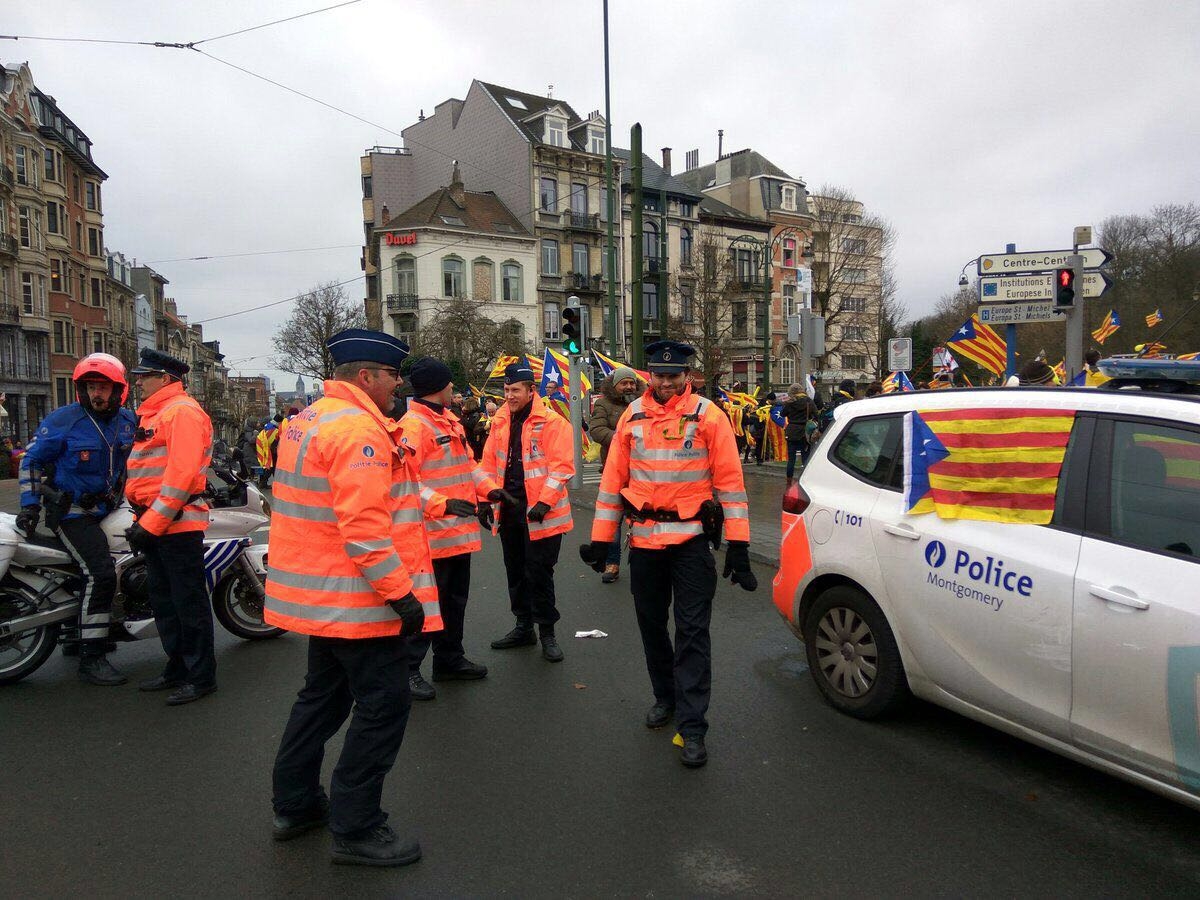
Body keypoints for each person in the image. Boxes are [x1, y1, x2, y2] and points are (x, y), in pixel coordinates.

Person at [266, 328, 439, 868]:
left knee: (321, 699)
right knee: (384, 705)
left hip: (318, 595)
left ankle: (295, 806)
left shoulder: (308, 420)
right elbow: (365, 527)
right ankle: (357, 826)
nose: (398, 386)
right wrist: (401, 594)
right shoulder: (359, 430)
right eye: (391, 376)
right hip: (359, 600)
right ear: (366, 376)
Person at [580, 340, 756, 768]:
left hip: (692, 543)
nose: (665, 382)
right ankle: (666, 697)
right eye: (659, 375)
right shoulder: (631, 417)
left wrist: (740, 545)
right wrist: (602, 539)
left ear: (687, 377)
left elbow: (730, 483)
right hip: (643, 543)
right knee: (652, 628)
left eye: (674, 375)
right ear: (649, 376)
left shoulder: (708, 416)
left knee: (693, 632)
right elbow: (612, 481)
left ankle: (693, 726)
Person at [17, 353, 137, 685]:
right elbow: (31, 462)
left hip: (111, 507)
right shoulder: (62, 420)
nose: (97, 393)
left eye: (103, 387)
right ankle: (92, 656)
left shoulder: (128, 421)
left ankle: (77, 632)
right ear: (80, 390)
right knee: (99, 574)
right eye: (90, 387)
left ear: (118, 390)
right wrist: (29, 506)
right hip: (71, 512)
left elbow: (143, 459)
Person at [398, 357, 514, 700]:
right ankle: (407, 671)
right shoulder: (414, 427)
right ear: (438, 387)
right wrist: (443, 504)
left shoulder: (447, 420)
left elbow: (466, 468)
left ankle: (449, 660)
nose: (453, 388)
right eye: (449, 384)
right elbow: (407, 484)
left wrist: (490, 490)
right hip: (430, 536)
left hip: (455, 535)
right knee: (426, 606)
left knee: (453, 603)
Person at [124, 349, 216, 705]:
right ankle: (177, 668)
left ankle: (200, 676)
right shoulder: (159, 412)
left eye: (144, 376)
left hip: (174, 525)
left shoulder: (182, 412)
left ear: (165, 378)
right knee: (166, 603)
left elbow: (180, 476)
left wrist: (151, 523)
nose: (138, 381)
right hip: (156, 522)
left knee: (187, 604)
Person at [480, 361, 574, 662]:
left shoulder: (552, 422)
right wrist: (484, 499)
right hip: (509, 509)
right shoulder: (499, 422)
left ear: (531, 390)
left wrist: (544, 502)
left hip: (542, 514)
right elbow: (487, 464)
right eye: (506, 390)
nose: (509, 395)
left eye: (515, 390)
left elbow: (562, 467)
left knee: (539, 573)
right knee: (515, 571)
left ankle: (547, 631)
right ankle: (523, 626)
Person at [588, 365, 641, 584]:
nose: (629, 386)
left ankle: (644, 562)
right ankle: (612, 562)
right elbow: (597, 429)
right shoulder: (603, 403)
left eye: (632, 383)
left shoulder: (643, 403)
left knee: (642, 519)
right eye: (624, 383)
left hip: (642, 472)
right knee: (614, 518)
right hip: (614, 470)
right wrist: (624, 440)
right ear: (615, 385)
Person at [781, 383, 817, 485]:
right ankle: (805, 480)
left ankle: (789, 481)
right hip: (804, 432)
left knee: (791, 459)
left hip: (791, 431)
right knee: (805, 457)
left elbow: (783, 414)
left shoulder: (789, 402)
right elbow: (816, 414)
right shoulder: (808, 401)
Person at [459, 396, 484, 461]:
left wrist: (463, 418)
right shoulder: (469, 414)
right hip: (470, 438)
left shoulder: (475, 415)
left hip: (474, 439)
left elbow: (471, 425)